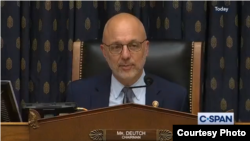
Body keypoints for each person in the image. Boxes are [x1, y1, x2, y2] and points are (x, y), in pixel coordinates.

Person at [66, 13, 189, 112]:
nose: (125, 55)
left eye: (134, 45)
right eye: (116, 47)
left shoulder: (176, 98)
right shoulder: (78, 95)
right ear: (104, 52)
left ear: (146, 49)